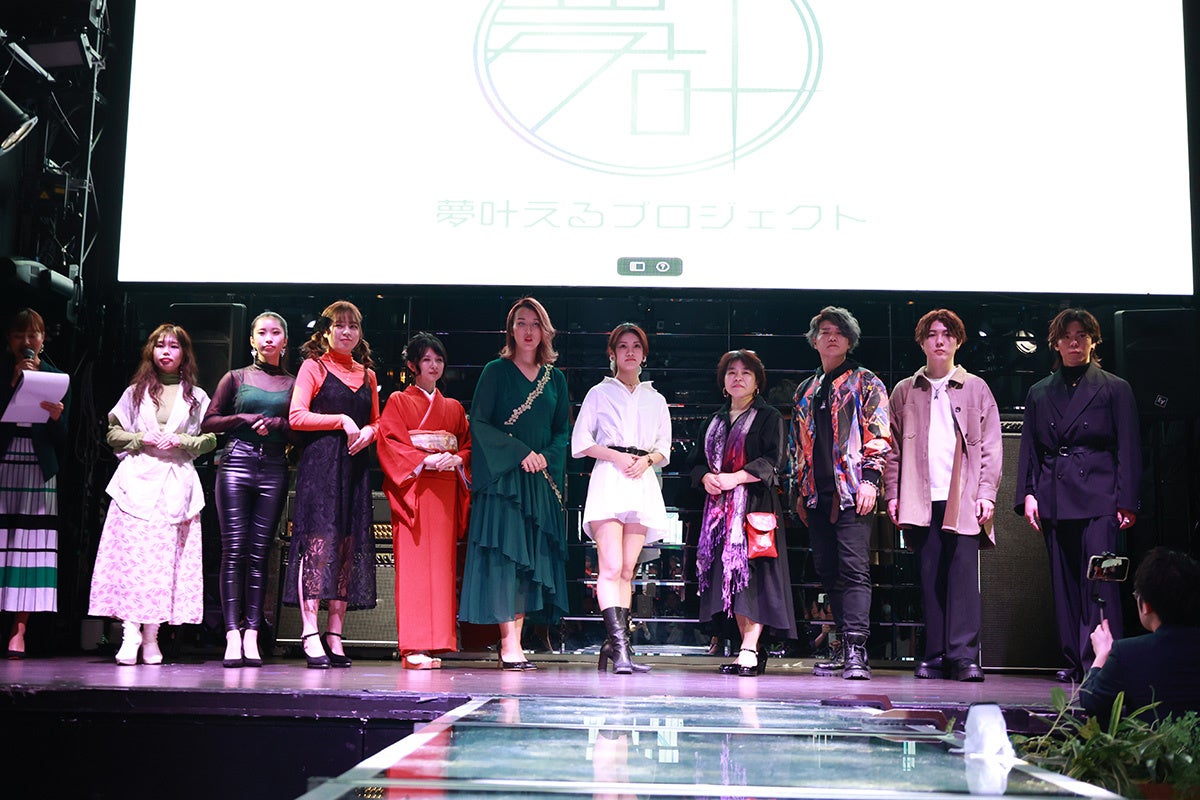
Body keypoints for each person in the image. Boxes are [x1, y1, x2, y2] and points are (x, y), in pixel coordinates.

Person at [1015, 308, 1141, 683]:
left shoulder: (1115, 388)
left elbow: (1129, 448)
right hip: (1055, 496)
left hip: (1102, 499)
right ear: (1055, 343)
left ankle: (1104, 660)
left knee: (1104, 581)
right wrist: (1028, 494)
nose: (1074, 342)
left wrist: (1127, 501)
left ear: (1093, 341)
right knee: (1065, 582)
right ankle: (1074, 659)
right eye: (1067, 336)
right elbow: (1030, 450)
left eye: (1081, 336)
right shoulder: (1039, 392)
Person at [884, 309, 1002, 682]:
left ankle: (964, 657)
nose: (939, 340)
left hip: (963, 497)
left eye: (947, 334)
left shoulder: (976, 388)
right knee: (930, 576)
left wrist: (986, 493)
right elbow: (891, 448)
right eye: (932, 334)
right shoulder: (905, 390)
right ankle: (934, 654)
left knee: (963, 578)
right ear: (921, 342)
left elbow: (991, 446)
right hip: (919, 497)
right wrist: (892, 493)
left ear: (958, 341)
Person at [88, 324, 216, 665]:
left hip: (175, 484)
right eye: (160, 346)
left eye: (173, 346)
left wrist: (182, 440)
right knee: (134, 561)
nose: (166, 352)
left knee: (162, 563)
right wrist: (140, 438)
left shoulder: (196, 396)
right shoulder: (135, 392)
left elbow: (210, 438)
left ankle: (151, 636)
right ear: (151, 351)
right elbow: (112, 433)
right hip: (137, 482)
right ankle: (129, 633)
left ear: (184, 353)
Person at [458, 296, 570, 670]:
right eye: (521, 323)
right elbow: (479, 423)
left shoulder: (556, 379)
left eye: (535, 324)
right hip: (504, 483)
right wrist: (521, 452)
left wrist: (544, 458)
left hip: (538, 482)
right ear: (511, 330)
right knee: (507, 560)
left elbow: (562, 431)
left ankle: (517, 642)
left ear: (545, 331)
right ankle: (508, 644)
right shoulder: (495, 371)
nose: (528, 331)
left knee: (528, 563)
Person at [790, 307, 890, 680]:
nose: (831, 336)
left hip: (852, 493)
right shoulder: (806, 389)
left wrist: (870, 480)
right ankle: (843, 647)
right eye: (824, 331)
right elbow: (797, 446)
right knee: (828, 572)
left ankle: (857, 651)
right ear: (814, 340)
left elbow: (879, 434)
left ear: (849, 340)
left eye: (839, 331)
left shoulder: (867, 382)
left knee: (854, 570)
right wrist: (799, 491)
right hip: (816, 496)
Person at [571, 322, 671, 674]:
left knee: (628, 569)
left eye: (636, 346)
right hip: (610, 478)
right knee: (611, 567)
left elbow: (664, 448)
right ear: (612, 353)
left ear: (644, 354)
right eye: (623, 346)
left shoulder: (655, 398)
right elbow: (580, 442)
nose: (630, 352)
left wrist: (646, 460)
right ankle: (620, 650)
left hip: (641, 480)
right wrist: (616, 456)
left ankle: (617, 647)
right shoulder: (599, 393)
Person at [285, 300, 379, 669]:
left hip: (355, 467)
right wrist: (340, 419)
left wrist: (370, 432)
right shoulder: (314, 366)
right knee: (318, 547)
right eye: (339, 325)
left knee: (347, 548)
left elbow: (378, 421)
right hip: (321, 466)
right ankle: (309, 632)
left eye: (353, 326)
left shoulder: (368, 375)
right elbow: (296, 416)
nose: (346, 332)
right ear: (326, 331)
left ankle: (335, 634)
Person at [691, 349, 795, 677]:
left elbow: (774, 462)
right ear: (723, 381)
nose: (738, 378)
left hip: (754, 510)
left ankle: (749, 648)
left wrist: (735, 478)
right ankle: (747, 649)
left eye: (745, 372)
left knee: (753, 579)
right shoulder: (714, 420)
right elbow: (695, 464)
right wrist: (706, 478)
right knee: (732, 581)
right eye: (731, 372)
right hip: (719, 515)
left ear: (757, 382)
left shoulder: (769, 417)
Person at [201, 311, 295, 668]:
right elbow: (208, 421)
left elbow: (301, 428)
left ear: (284, 341)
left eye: (275, 333)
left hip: (273, 466)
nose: (269, 338)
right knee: (234, 550)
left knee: (260, 554)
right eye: (262, 333)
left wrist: (279, 424)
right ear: (252, 340)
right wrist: (242, 418)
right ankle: (231, 634)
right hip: (236, 463)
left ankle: (252, 632)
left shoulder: (294, 382)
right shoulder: (235, 377)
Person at [377, 332, 471, 670]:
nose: (434, 366)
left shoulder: (454, 408)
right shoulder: (398, 401)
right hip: (415, 488)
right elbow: (389, 442)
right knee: (415, 567)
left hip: (444, 489)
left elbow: (466, 446)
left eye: (438, 360)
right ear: (412, 365)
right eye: (427, 360)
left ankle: (436, 642)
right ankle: (413, 646)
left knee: (442, 567)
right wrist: (424, 460)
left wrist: (458, 458)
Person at [0, 309, 69, 659]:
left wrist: (56, 418)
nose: (26, 341)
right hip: (4, 461)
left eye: (33, 335)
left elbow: (63, 438)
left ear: (43, 339)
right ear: (9, 340)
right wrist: (12, 385)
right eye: (19, 335)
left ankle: (19, 629)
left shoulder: (56, 377)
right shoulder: (4, 374)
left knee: (30, 547)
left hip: (38, 469)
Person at [1081, 547, 1200, 725]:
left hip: (1151, 743)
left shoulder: (1127, 653)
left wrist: (1101, 655)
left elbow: (1092, 703)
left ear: (1146, 605)